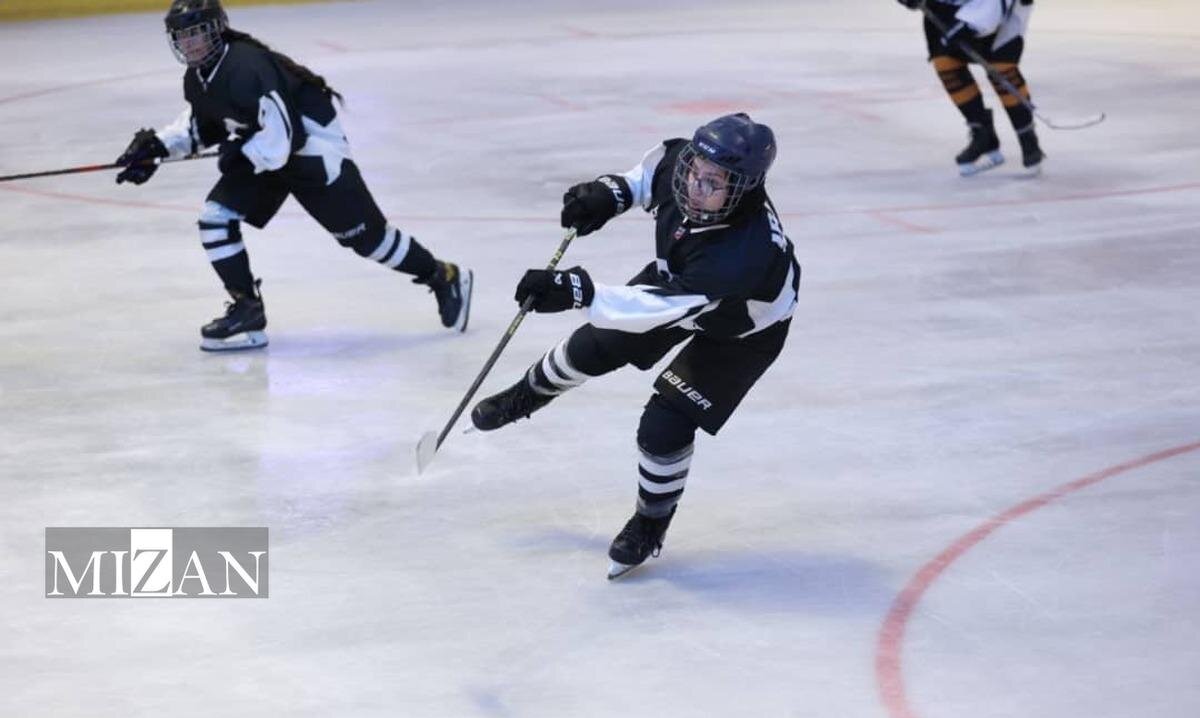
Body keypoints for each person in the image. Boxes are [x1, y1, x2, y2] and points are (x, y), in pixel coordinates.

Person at [470, 113, 800, 579]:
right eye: (695, 172)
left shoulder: (743, 254)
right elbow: (645, 178)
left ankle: (651, 521)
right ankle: (531, 392)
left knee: (663, 426)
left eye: (714, 182)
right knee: (591, 348)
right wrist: (607, 195)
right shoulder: (683, 165)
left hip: (740, 329)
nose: (696, 186)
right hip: (679, 284)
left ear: (744, 189)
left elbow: (657, 308)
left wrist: (576, 291)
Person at [115, 0, 472, 351]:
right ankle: (247, 309)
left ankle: (444, 276)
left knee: (370, 242)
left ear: (216, 30)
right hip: (268, 155)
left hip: (312, 156)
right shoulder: (199, 77)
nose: (189, 43)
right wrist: (158, 147)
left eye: (197, 33)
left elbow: (284, 140)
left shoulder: (248, 68)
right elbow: (206, 122)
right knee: (215, 217)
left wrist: (237, 152)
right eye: (182, 36)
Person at [898, 0, 1044, 176]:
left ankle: (1027, 136)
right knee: (945, 62)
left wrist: (971, 24)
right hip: (947, 6)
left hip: (998, 10)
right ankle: (983, 134)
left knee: (1001, 67)